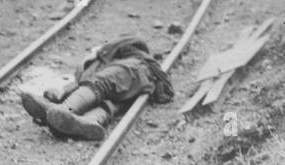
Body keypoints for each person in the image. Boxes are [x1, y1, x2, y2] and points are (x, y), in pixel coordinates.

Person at [20, 38, 174, 142]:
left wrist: (61, 98)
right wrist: (60, 93)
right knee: (108, 102)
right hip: (133, 84)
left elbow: (93, 83)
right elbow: (83, 86)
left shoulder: (124, 54)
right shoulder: (102, 67)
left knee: (101, 83)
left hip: (135, 69)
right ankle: (88, 122)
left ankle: (64, 109)